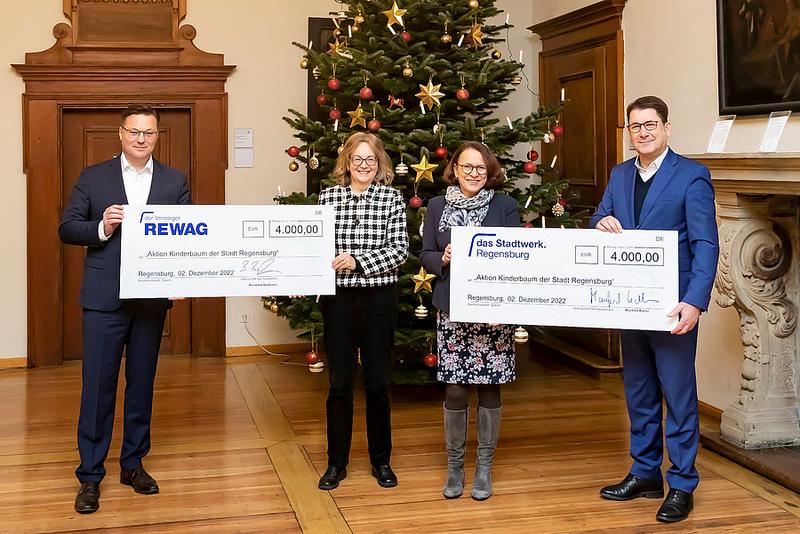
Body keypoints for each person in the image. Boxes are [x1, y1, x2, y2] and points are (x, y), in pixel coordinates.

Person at [590, 96, 719, 523]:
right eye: (635, 126)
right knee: (639, 391)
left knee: (679, 397)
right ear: (629, 132)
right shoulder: (620, 173)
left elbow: (705, 244)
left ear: (666, 128)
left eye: (650, 124)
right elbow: (599, 216)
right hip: (629, 304)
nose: (642, 132)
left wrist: (695, 302)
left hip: (673, 306)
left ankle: (682, 483)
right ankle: (645, 472)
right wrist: (600, 223)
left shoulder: (692, 176)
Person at [59, 105, 191, 514]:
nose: (140, 139)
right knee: (97, 387)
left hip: (151, 300)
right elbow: (67, 228)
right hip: (103, 300)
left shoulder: (174, 181)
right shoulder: (93, 176)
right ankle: (90, 476)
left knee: (141, 385)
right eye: (134, 132)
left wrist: (181, 279)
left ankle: (132, 464)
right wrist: (103, 227)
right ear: (120, 134)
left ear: (157, 136)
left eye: (148, 133)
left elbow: (187, 238)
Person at [420, 141, 520, 501]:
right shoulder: (436, 206)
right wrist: (442, 258)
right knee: (455, 389)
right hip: (453, 309)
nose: (474, 173)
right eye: (467, 167)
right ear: (455, 170)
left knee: (490, 388)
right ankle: (455, 467)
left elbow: (517, 256)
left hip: (493, 313)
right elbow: (425, 253)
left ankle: (484, 469)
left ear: (489, 171)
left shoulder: (505, 205)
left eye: (480, 167)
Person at [316, 132, 409, 491]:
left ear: (380, 163)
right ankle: (335, 463)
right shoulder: (328, 198)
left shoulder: (391, 199)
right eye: (358, 159)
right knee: (339, 383)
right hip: (338, 302)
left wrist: (358, 261)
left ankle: (380, 460)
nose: (365, 166)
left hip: (378, 300)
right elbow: (314, 247)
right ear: (347, 163)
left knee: (377, 383)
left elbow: (399, 250)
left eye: (371, 159)